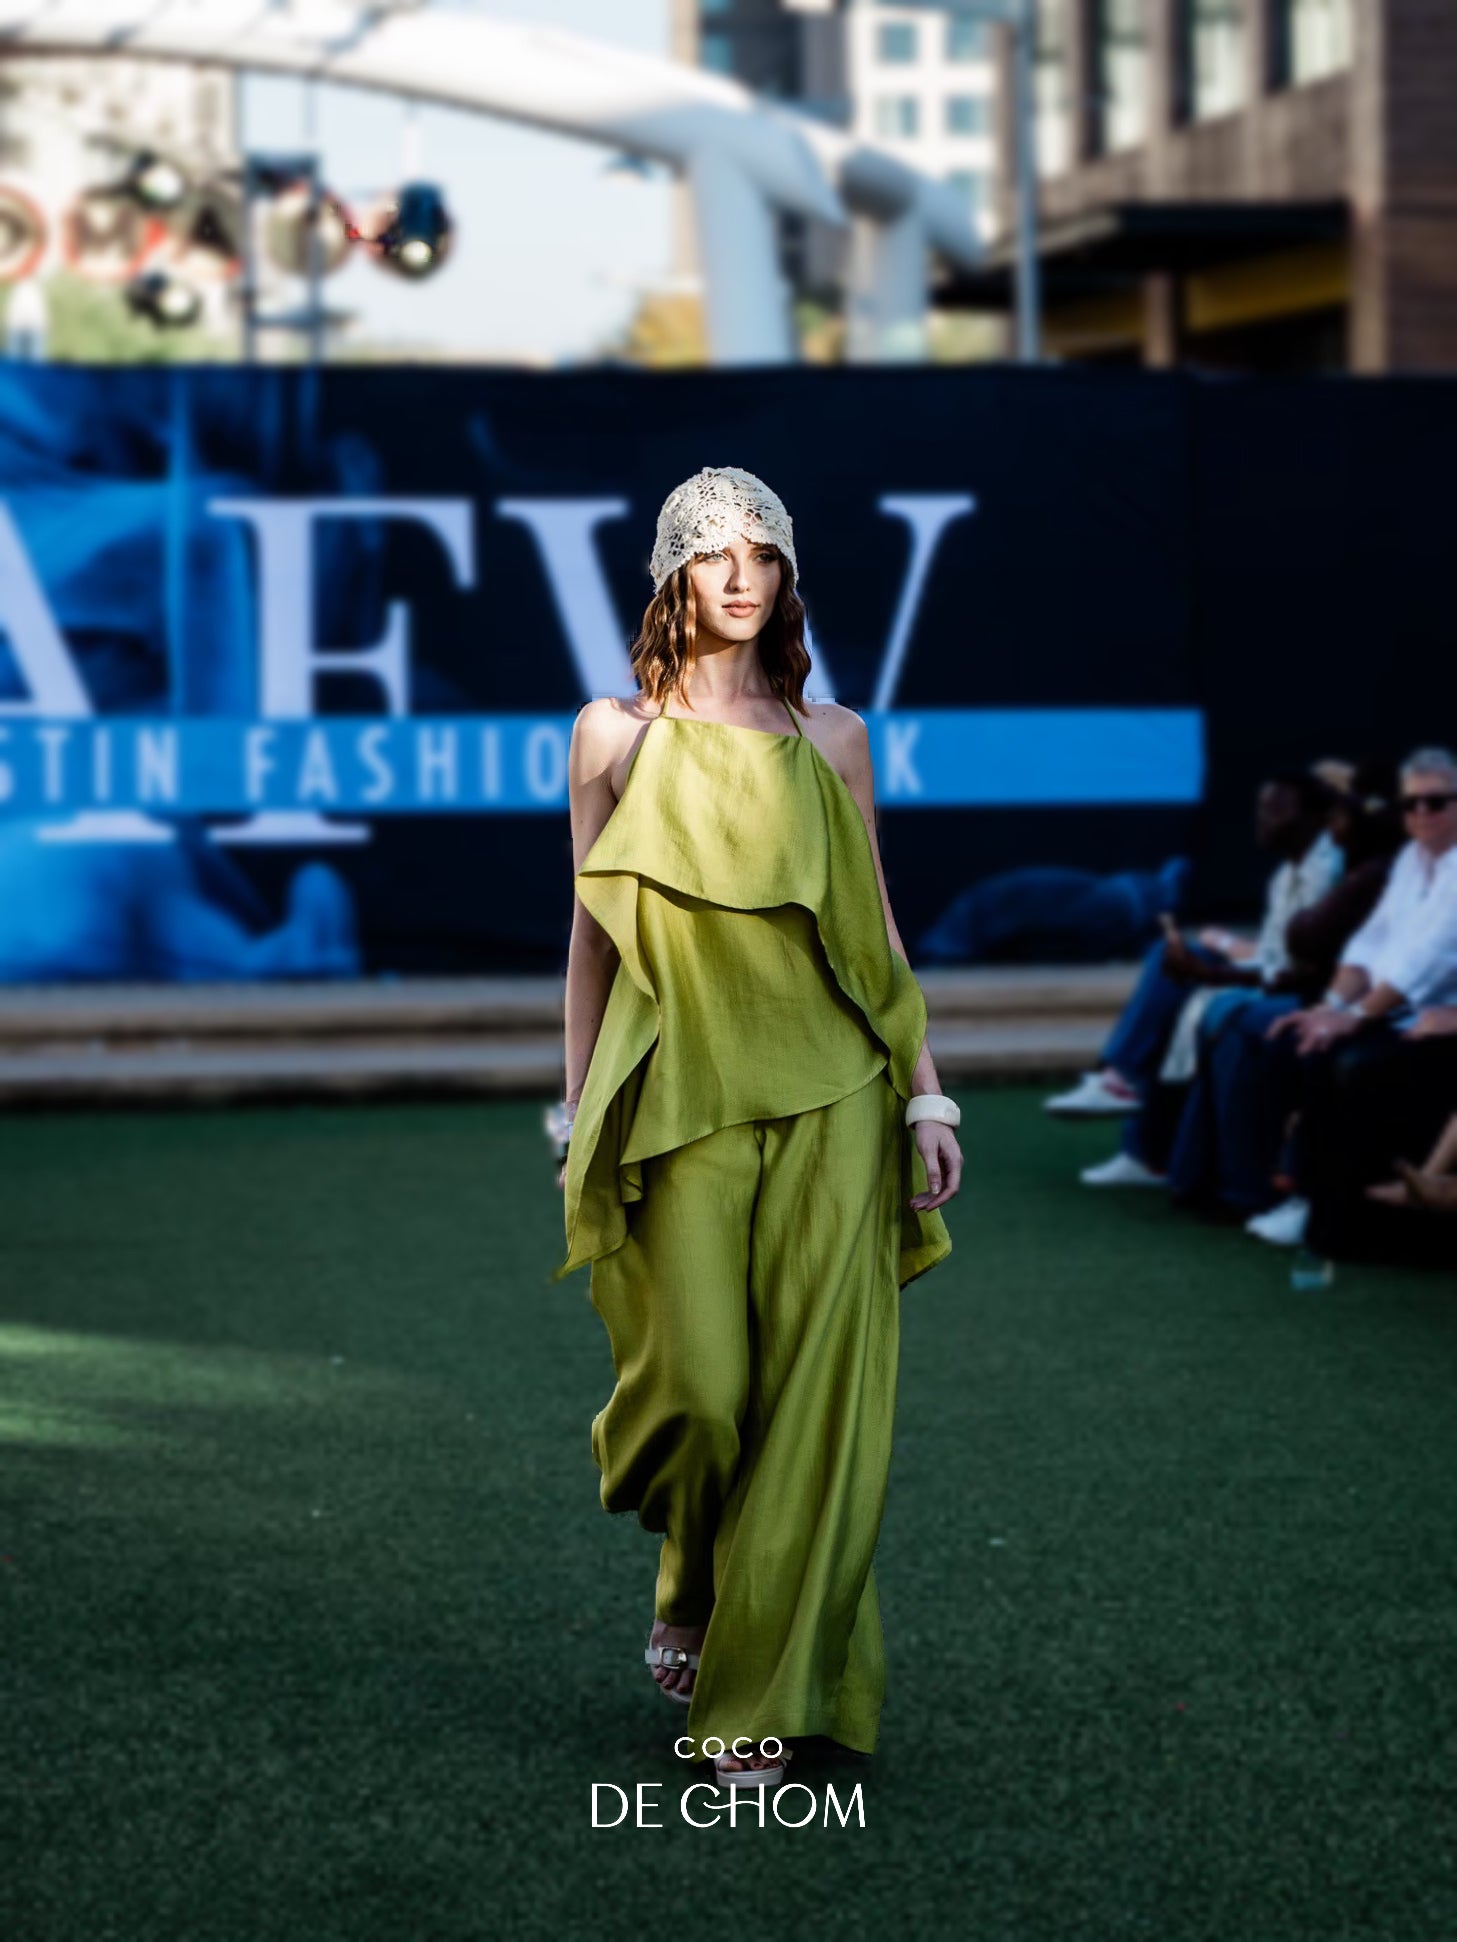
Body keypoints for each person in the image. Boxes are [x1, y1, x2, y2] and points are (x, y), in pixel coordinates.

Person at [546, 466, 959, 1791]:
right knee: (696, 1388)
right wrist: (575, 1103)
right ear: (673, 572)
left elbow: (875, 926)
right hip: (679, 1090)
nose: (740, 578)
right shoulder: (611, 734)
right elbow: (589, 942)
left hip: (840, 1088)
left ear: (786, 578)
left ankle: (756, 1702)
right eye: (715, 555)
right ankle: (686, 1571)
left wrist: (928, 1088)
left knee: (818, 1407)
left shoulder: (832, 736)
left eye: (763, 555)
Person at [1051, 774, 1343, 1188]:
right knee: (1170, 962)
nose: (1263, 819)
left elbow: (1299, 972)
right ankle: (1125, 1093)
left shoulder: (1330, 870)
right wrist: (1213, 958)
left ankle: (1136, 1118)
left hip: (1316, 993)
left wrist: (1215, 963)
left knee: (1195, 996)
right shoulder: (1287, 874)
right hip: (1277, 978)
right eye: (1260, 808)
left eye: (1277, 808)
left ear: (1315, 817)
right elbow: (1274, 957)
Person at [1162, 761, 1404, 1218]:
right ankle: (1191, 1173)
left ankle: (1252, 1189)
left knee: (1240, 1017)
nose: (1335, 825)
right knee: (1222, 1011)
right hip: (1344, 998)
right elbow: (1346, 960)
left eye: (1343, 812)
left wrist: (1346, 1011)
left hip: (1393, 1010)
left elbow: (1320, 955)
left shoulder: (1368, 872)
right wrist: (1335, 1005)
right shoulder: (1378, 870)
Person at [1248, 747, 1457, 1252]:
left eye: (1437, 802)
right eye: (1412, 804)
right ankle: (1295, 1199)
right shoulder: (1410, 860)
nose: (1422, 813)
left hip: (1426, 1015)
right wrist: (1331, 1009)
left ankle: (1348, 1224)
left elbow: (1432, 959)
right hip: (1408, 1012)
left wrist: (1357, 1017)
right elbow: (1368, 944)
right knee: (1296, 1038)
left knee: (1349, 1059)